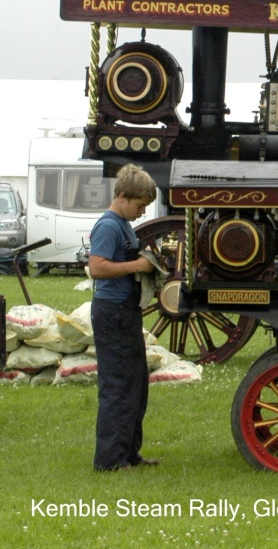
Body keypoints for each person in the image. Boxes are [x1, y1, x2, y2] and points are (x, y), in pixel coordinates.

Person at [88, 164, 159, 472]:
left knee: (136, 384)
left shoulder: (123, 225)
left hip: (124, 310)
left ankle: (129, 452)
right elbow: (97, 267)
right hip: (112, 312)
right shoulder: (108, 226)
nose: (142, 212)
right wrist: (139, 267)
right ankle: (110, 460)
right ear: (122, 196)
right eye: (140, 205)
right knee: (118, 386)